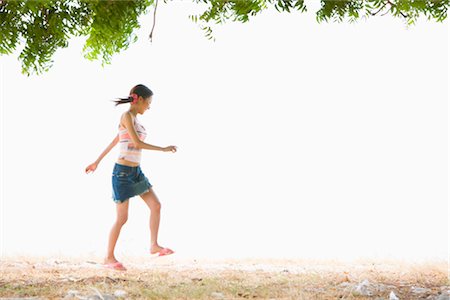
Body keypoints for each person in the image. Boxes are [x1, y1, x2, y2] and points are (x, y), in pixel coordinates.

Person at [85, 84, 177, 271]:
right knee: (122, 218)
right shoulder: (126, 116)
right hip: (122, 173)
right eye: (148, 102)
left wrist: (96, 161)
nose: (149, 107)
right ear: (140, 100)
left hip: (136, 172)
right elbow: (135, 143)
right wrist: (163, 149)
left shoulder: (136, 120)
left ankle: (154, 245)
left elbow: (116, 140)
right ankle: (108, 257)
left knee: (156, 205)